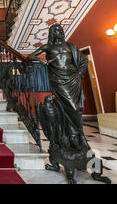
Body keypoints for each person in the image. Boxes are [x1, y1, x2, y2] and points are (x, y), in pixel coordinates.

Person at [27, 23, 89, 151]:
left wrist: (79, 72)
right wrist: (40, 60)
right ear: (51, 33)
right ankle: (76, 134)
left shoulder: (70, 46)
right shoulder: (48, 47)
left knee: (77, 107)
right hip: (58, 79)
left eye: (60, 30)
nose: (58, 32)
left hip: (72, 78)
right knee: (71, 106)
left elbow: (83, 60)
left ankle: (76, 135)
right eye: (55, 30)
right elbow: (30, 56)